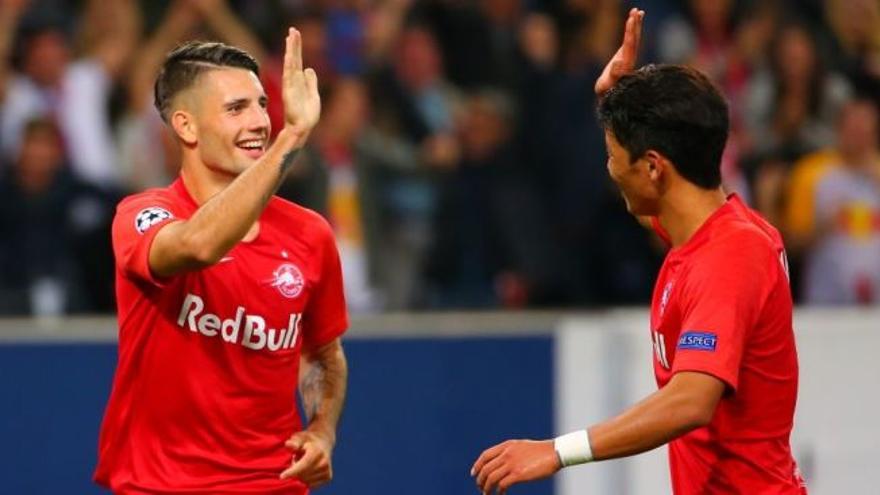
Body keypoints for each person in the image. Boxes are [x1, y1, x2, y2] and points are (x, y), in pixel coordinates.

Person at [471, 8, 806, 494]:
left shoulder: (731, 257)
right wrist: (614, 99)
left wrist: (557, 451)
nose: (609, 168)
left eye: (613, 155)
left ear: (653, 167)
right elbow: (654, 201)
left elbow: (690, 400)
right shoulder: (707, 228)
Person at [94, 30, 349, 494]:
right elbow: (197, 246)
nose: (259, 122)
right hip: (161, 486)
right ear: (186, 127)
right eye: (236, 109)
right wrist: (293, 137)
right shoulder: (142, 216)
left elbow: (322, 354)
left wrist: (322, 430)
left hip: (275, 483)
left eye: (261, 105)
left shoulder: (310, 234)